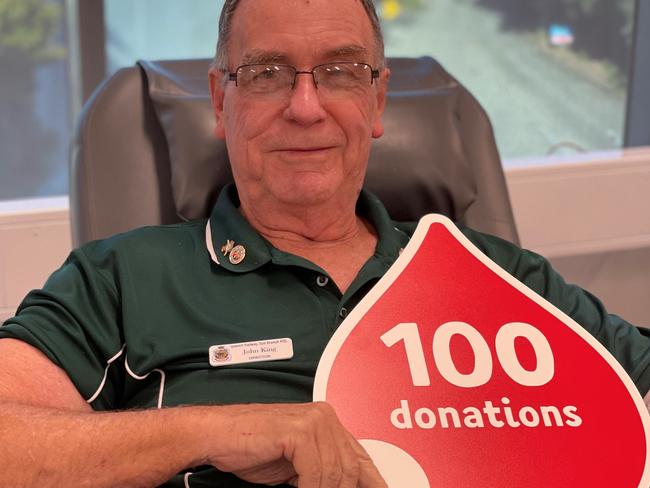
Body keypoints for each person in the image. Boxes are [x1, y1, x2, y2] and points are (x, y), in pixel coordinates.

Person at [0, 0, 649, 486]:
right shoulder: (124, 277)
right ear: (220, 103)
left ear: (377, 100)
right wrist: (218, 429)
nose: (306, 106)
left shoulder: (497, 272)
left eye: (339, 72)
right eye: (266, 74)